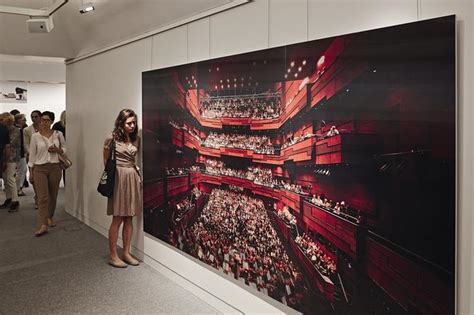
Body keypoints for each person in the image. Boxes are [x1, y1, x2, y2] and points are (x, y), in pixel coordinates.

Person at [103, 109, 141, 268]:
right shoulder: (110, 139)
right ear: (121, 122)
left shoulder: (136, 139)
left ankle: (126, 252)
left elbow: (134, 159)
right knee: (117, 218)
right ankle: (113, 255)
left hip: (132, 177)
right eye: (128, 123)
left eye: (134, 123)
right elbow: (106, 163)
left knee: (129, 217)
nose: (132, 126)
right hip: (118, 178)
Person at [28, 111, 66, 236]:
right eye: (42, 120)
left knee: (53, 195)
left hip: (55, 167)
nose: (44, 122)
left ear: (52, 122)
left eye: (47, 120)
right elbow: (32, 156)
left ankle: (50, 216)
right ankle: (43, 224)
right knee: (43, 197)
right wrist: (31, 172)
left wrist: (57, 150)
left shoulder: (58, 134)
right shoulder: (35, 136)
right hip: (39, 168)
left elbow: (65, 149)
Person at [0, 113, 21, 212]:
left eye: (1, 119)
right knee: (5, 178)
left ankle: (15, 201)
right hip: (4, 157)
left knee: (10, 178)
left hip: (11, 158)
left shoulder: (15, 130)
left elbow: (10, 144)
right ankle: (9, 198)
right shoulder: (4, 130)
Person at [14, 113, 28, 196]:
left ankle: (18, 188)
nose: (25, 121)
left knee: (22, 171)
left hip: (21, 153)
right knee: (21, 171)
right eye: (23, 119)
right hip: (18, 154)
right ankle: (18, 188)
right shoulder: (16, 129)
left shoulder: (23, 128)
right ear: (18, 120)